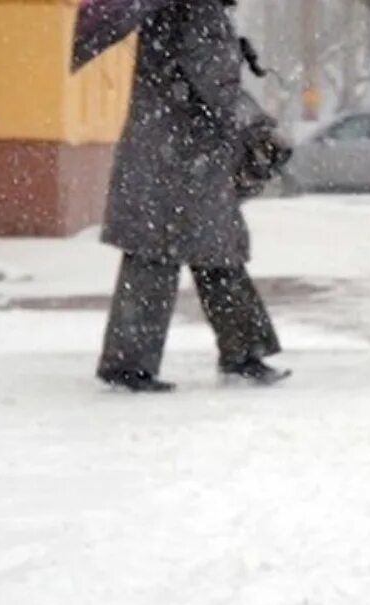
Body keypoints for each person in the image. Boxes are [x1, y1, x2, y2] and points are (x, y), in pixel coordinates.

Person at [96, 0, 288, 393]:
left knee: (165, 256)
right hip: (186, 161)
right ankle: (241, 355)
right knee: (211, 256)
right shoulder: (199, 10)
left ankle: (131, 362)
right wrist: (259, 125)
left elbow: (195, 72)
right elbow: (215, 85)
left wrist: (232, 51)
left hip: (164, 157)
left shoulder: (169, 11)